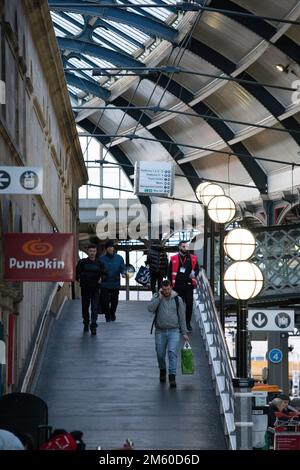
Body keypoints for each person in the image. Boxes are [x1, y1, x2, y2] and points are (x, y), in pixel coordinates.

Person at [147, 279, 189, 388]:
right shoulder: (157, 297)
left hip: (173, 330)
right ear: (161, 289)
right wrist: (159, 298)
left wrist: (184, 332)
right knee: (160, 354)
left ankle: (172, 377)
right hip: (160, 331)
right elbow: (150, 309)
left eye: (168, 289)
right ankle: (162, 369)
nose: (167, 291)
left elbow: (182, 316)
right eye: (164, 290)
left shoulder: (177, 299)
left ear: (171, 287)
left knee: (172, 352)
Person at [168, 240, 199, 332]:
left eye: (187, 246)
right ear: (179, 247)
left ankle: (187, 323)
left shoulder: (193, 258)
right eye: (183, 246)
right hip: (177, 285)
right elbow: (169, 273)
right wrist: (170, 286)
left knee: (189, 304)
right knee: (179, 306)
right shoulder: (173, 258)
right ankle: (179, 324)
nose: (186, 248)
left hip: (189, 285)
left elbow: (197, 269)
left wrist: (195, 273)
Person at [76, 244, 105, 335]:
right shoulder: (82, 262)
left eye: (94, 251)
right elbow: (77, 273)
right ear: (88, 252)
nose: (92, 253)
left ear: (96, 252)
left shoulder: (100, 263)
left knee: (94, 308)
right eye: (90, 251)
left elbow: (104, 273)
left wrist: (101, 278)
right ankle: (86, 322)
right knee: (85, 308)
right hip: (85, 288)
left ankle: (93, 325)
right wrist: (80, 278)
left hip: (95, 289)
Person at [99, 240, 125, 322]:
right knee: (105, 301)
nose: (110, 249)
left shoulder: (119, 258)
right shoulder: (101, 259)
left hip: (115, 283)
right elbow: (98, 270)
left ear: (114, 248)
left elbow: (122, 268)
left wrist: (123, 273)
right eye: (109, 247)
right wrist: (99, 277)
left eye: (112, 247)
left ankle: (112, 313)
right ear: (106, 249)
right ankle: (107, 315)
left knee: (115, 301)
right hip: (104, 284)